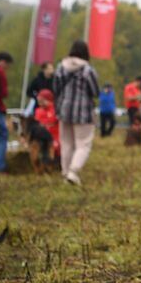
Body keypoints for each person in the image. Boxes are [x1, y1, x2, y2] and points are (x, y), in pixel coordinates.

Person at [52, 40, 100, 185]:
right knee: (83, 144)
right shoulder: (88, 70)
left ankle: (65, 173)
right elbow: (95, 91)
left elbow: (55, 88)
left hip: (64, 110)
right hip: (82, 112)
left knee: (66, 143)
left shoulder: (60, 67)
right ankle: (73, 172)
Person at [26, 88, 60, 170]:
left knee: (56, 147)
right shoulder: (38, 111)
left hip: (55, 137)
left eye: (42, 100)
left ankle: (57, 163)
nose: (39, 102)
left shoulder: (55, 110)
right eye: (38, 100)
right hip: (41, 137)